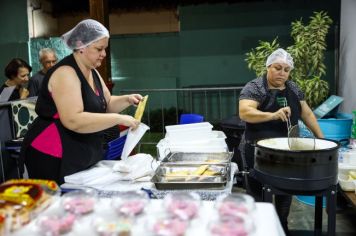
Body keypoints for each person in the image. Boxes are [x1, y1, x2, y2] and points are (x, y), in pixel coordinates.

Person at [20, 19, 142, 185]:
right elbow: (73, 120)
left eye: (104, 48)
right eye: (99, 49)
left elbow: (105, 104)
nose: (104, 54)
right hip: (52, 153)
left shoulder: (93, 71)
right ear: (80, 46)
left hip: (78, 150)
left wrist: (127, 99)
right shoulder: (65, 73)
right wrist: (119, 119)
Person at [238, 48, 324, 233]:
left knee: (285, 193)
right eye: (278, 68)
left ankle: (281, 227)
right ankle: (259, 230)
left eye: (286, 69)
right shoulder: (255, 87)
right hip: (257, 151)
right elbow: (245, 112)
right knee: (257, 198)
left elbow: (306, 113)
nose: (282, 73)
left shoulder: (293, 88)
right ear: (268, 66)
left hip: (287, 151)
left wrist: (322, 139)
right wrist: (273, 115)